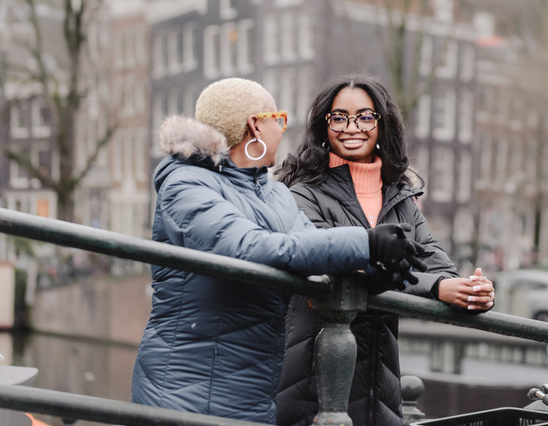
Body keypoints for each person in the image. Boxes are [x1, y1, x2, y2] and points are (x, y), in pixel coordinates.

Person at [131, 78, 423, 423]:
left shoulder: (274, 195)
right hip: (185, 388)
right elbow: (248, 247)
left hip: (254, 392)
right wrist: (366, 242)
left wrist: (381, 270)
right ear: (255, 125)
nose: (282, 131)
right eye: (279, 120)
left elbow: (315, 260)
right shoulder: (186, 183)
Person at [275, 75, 495, 426]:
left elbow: (439, 267)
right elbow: (336, 268)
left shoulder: (400, 198)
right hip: (313, 377)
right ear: (323, 125)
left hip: (381, 383)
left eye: (365, 116)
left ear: (381, 124)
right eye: (339, 117)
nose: (352, 128)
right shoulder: (302, 192)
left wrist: (473, 291)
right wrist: (437, 288)